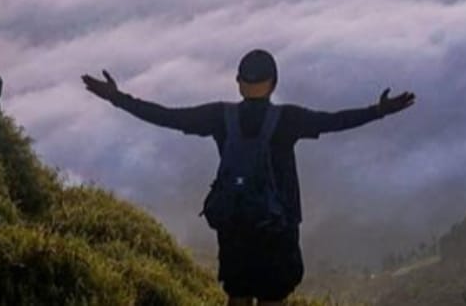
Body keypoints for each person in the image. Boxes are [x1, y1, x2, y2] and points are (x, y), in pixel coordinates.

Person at [81, 49, 415, 306]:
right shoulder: (288, 119)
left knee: (238, 294)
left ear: (239, 82)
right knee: (273, 295)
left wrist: (116, 97)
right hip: (277, 225)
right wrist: (379, 111)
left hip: (234, 222)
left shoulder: (219, 116)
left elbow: (165, 116)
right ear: (274, 83)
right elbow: (335, 121)